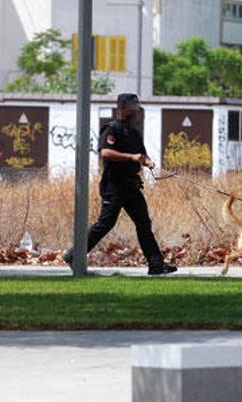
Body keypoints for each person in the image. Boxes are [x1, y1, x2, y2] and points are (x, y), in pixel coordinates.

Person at [64, 93, 177, 275]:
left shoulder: (134, 132)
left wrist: (147, 162)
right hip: (114, 186)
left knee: (143, 223)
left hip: (131, 185)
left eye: (136, 107)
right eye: (132, 107)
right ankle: (73, 255)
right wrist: (131, 157)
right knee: (105, 224)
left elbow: (142, 154)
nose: (135, 111)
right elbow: (105, 153)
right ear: (122, 107)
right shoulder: (112, 129)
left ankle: (156, 264)